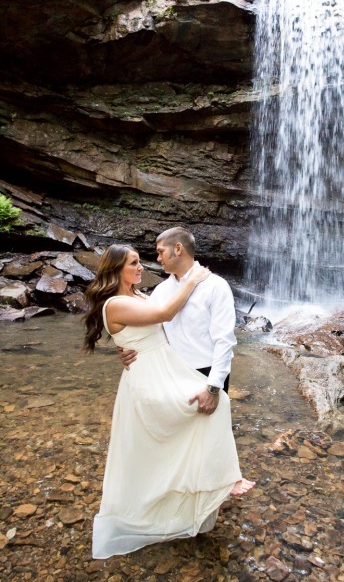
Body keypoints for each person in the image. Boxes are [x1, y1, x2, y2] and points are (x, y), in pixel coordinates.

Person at [84, 244, 254, 560]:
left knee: (208, 411)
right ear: (116, 268)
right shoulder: (116, 303)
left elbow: (158, 325)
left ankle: (200, 487)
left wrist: (124, 347)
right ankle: (221, 480)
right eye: (134, 263)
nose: (141, 267)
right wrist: (192, 279)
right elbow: (164, 314)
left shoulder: (140, 296)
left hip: (164, 370)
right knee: (202, 410)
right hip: (149, 379)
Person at [119, 227, 236, 418]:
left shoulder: (216, 286)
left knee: (209, 439)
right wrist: (126, 349)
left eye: (160, 252)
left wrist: (214, 387)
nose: (158, 258)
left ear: (178, 248)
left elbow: (224, 340)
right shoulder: (161, 290)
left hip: (205, 373)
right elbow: (147, 330)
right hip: (169, 375)